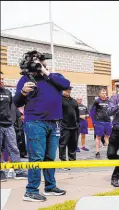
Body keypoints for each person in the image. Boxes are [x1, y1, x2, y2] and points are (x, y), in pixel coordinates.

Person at [14, 51, 69, 201]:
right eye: (34, 62)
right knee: (36, 157)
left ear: (44, 62)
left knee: (50, 157)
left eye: (39, 62)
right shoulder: (25, 79)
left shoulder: (54, 77)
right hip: (35, 123)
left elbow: (66, 85)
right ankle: (31, 191)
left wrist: (45, 72)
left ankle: (50, 187)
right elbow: (17, 102)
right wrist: (23, 92)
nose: (36, 65)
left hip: (54, 122)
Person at [0, 71, 28, 182]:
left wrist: (17, 117)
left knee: (14, 148)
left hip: (8, 125)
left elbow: (12, 106)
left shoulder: (7, 92)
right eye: (0, 79)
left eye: (2, 79)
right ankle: (1, 172)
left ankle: (18, 171)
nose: (2, 81)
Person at [59, 87, 79, 169]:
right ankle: (63, 162)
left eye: (69, 89)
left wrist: (77, 123)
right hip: (64, 126)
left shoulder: (73, 101)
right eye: (66, 89)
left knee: (73, 144)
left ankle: (72, 160)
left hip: (74, 126)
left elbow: (77, 113)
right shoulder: (59, 100)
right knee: (63, 144)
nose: (68, 91)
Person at [92, 89, 112, 158]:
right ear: (100, 94)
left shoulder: (109, 101)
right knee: (98, 137)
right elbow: (92, 111)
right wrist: (94, 122)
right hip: (99, 122)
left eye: (105, 93)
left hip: (107, 122)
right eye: (103, 93)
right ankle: (97, 152)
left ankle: (108, 152)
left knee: (107, 137)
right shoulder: (97, 101)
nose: (104, 94)